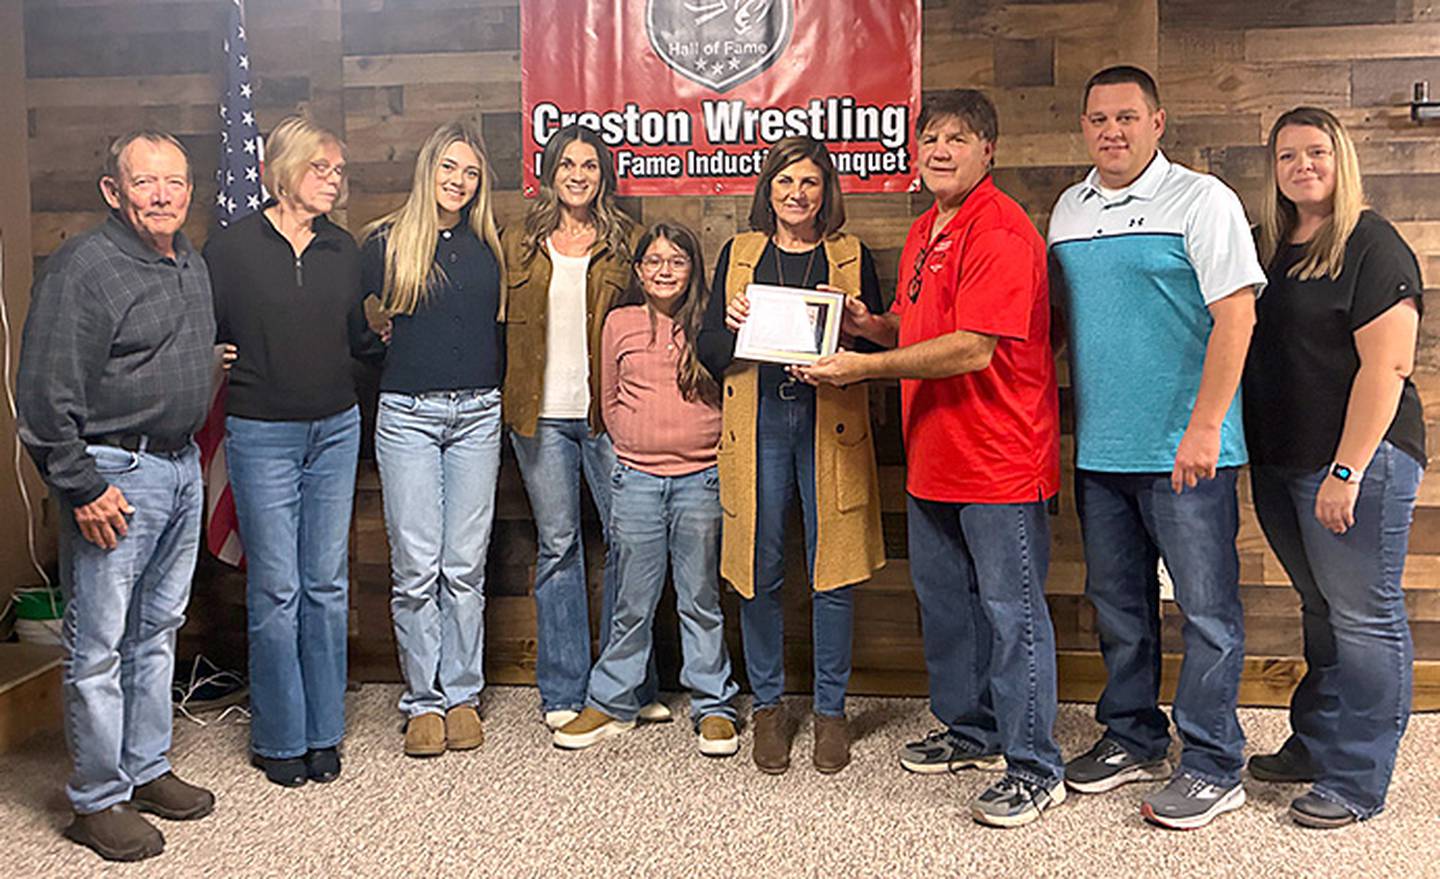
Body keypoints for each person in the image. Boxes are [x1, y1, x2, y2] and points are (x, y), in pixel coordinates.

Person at [799, 90, 1065, 826]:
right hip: (934, 459)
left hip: (1000, 460)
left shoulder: (1001, 230)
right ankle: (974, 729)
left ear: (990, 151)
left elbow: (973, 347)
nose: (941, 150)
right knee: (948, 609)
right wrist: (869, 325)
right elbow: (922, 329)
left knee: (1013, 614)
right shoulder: (926, 228)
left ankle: (1036, 765)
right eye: (931, 139)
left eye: (959, 138)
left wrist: (859, 368)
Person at [1047, 65, 1267, 830]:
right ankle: (1134, 732)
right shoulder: (1067, 211)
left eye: (1127, 117)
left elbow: (1235, 318)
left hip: (1189, 449)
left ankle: (1213, 761)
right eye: (1099, 118)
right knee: (1120, 605)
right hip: (1101, 450)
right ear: (1084, 127)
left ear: (1158, 122)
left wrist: (1205, 425)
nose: (1112, 131)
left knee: (1206, 611)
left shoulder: (1203, 200)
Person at [17, 130, 216, 861]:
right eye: (145, 183)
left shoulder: (184, 256)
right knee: (98, 644)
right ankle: (98, 799)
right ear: (113, 190)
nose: (163, 196)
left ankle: (145, 764)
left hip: (181, 465)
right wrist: (82, 483)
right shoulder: (84, 268)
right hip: (114, 475)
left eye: (175, 182)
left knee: (158, 629)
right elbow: (41, 395)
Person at [1243, 106, 1426, 829]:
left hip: (1359, 460)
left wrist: (1346, 472)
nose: (1302, 167)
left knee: (1365, 615)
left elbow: (1389, 367)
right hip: (1283, 458)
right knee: (1322, 611)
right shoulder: (1269, 245)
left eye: (1316, 152)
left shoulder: (1373, 244)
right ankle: (1317, 742)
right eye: (1288, 156)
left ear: (1340, 158)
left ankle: (1357, 778)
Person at [696, 135, 886, 775]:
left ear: (825, 191)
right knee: (759, 566)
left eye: (808, 183)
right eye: (784, 183)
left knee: (832, 566)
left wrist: (858, 327)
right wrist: (730, 322)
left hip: (828, 420)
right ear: (767, 191)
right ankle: (770, 708)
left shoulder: (851, 256)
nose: (797, 194)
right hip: (760, 420)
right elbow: (708, 348)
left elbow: (878, 352)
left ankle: (831, 712)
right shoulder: (741, 254)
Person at [204, 115, 382, 788]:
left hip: (335, 428)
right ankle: (280, 735)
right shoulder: (230, 249)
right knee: (277, 588)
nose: (333, 180)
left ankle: (322, 730)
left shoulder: (344, 249)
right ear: (283, 171)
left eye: (338, 170)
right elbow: (206, 328)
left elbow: (359, 341)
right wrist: (214, 355)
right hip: (260, 433)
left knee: (327, 585)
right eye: (320, 169)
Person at [500, 124, 667, 730]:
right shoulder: (517, 241)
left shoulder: (626, 243)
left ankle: (626, 683)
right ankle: (564, 689)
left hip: (609, 417)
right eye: (567, 163)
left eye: (590, 165)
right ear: (550, 172)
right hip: (537, 416)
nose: (578, 174)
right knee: (560, 548)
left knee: (630, 543)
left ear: (604, 175)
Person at [553, 222, 741, 756]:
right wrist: (634, 447)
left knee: (700, 597)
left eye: (677, 261)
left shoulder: (709, 323)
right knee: (631, 600)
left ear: (693, 269)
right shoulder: (619, 322)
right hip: (634, 478)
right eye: (654, 262)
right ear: (638, 271)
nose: (664, 271)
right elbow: (607, 397)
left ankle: (713, 704)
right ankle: (611, 701)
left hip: (701, 478)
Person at [359, 121, 506, 757]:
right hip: (408, 416)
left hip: (478, 414)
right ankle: (423, 700)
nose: (459, 181)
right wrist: (375, 345)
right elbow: (343, 319)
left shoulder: (487, 248)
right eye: (450, 168)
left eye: (471, 173)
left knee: (464, 566)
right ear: (428, 170)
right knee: (417, 566)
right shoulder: (387, 242)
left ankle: (463, 695)